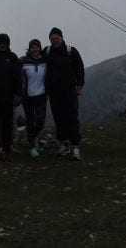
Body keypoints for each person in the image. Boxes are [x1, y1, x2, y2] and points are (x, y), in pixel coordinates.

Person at [44, 27, 85, 160]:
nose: (54, 40)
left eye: (56, 38)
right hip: (54, 92)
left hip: (69, 91)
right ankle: (63, 144)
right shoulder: (47, 51)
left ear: (61, 38)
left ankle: (75, 146)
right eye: (52, 39)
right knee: (58, 118)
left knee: (72, 118)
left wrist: (79, 85)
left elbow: (79, 68)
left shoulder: (71, 51)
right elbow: (36, 58)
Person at [20, 39, 48, 158]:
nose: (35, 49)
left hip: (42, 95)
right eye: (32, 47)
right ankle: (32, 146)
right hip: (28, 97)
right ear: (29, 49)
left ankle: (32, 138)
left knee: (40, 121)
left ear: (40, 48)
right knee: (31, 121)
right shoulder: (23, 61)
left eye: (37, 47)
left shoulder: (45, 61)